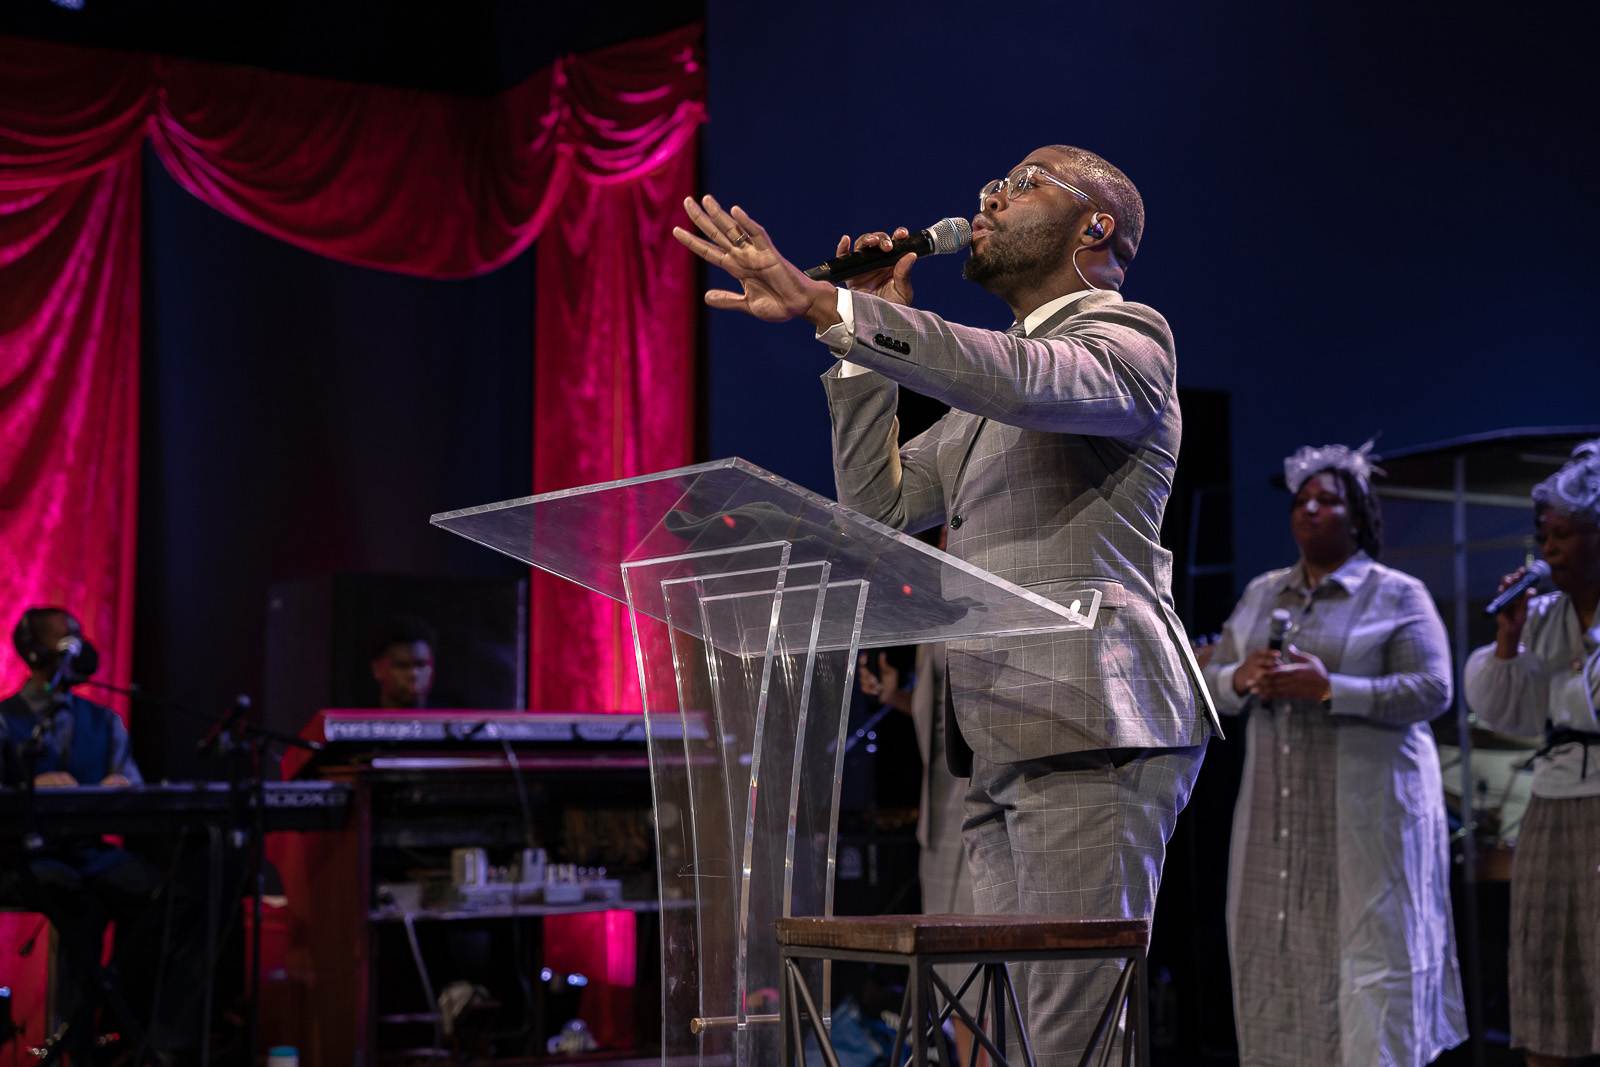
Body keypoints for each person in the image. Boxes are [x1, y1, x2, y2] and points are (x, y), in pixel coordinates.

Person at [673, 144, 1219, 1062]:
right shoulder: (982, 404)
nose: (990, 198)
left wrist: (832, 307)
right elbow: (878, 512)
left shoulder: (1132, 339)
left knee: (1069, 1034)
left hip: (1095, 722)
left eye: (1023, 182)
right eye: (988, 187)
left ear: (1097, 226)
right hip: (1002, 727)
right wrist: (861, 347)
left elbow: (1022, 377)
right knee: (998, 1028)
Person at [1201, 442, 1466, 1066]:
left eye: (1328, 499)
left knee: (1370, 970)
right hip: (1277, 822)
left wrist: (1329, 688)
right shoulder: (1265, 593)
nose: (1310, 510)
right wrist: (1241, 678)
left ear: (1359, 515)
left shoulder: (1397, 594)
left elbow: (1434, 689)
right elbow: (1210, 683)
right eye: (1302, 501)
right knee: (1277, 958)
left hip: (1366, 821)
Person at [0, 606, 202, 1063]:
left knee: (170, 901)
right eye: (63, 637)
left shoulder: (105, 721)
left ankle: (148, 1036)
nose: (76, 643)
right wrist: (27, 790)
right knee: (77, 903)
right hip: (22, 857)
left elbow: (129, 781)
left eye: (78, 635)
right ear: (33, 650)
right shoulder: (5, 720)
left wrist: (123, 789)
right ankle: (68, 1046)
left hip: (89, 852)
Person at [1464, 439, 1600, 1066]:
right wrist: (1509, 638)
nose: (1547, 549)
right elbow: (1505, 712)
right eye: (1543, 535)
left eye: (1564, 536)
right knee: (1549, 960)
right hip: (1551, 806)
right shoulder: (1542, 616)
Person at [369, 614, 437, 708]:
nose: (413, 674)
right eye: (402, 666)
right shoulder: (353, 720)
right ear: (377, 669)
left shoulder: (455, 719)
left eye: (421, 665)